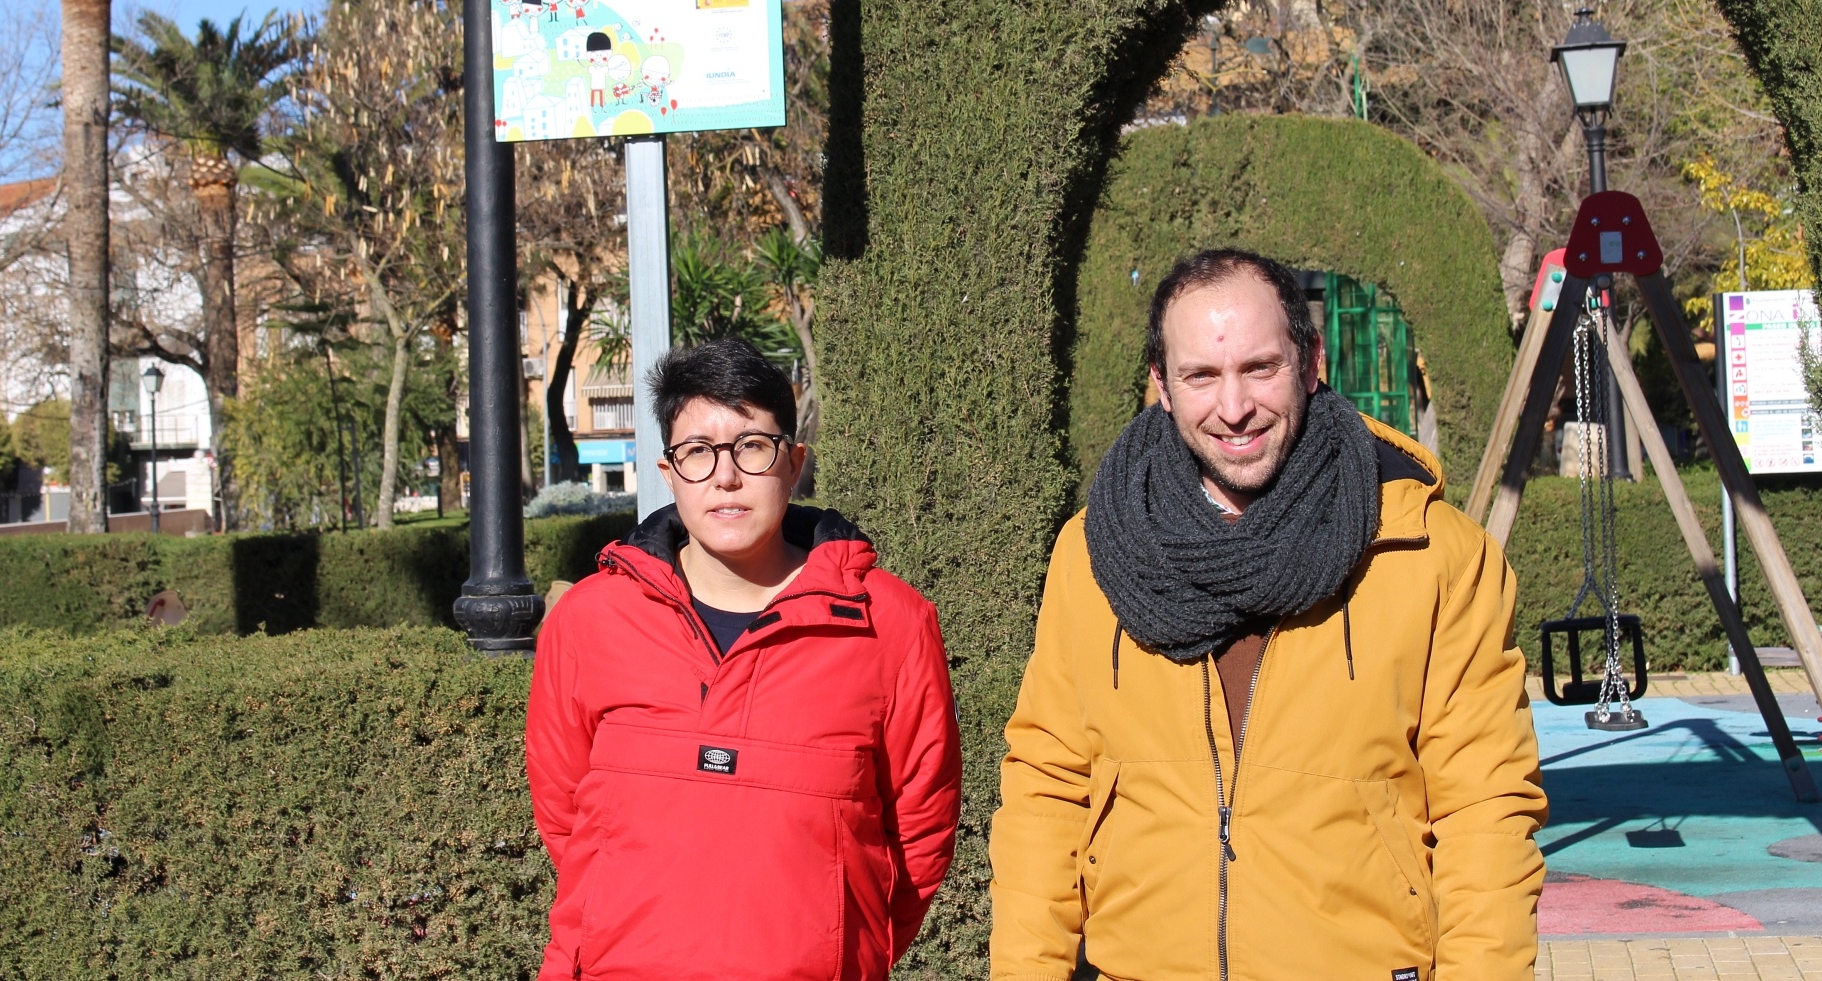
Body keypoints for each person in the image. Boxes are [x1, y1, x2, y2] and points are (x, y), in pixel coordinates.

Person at [990, 250, 1545, 981]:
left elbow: (1485, 809)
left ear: (1310, 361)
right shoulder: (1091, 554)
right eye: (1201, 376)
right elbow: (1047, 788)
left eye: (1260, 367)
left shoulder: (1431, 554)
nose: (1234, 407)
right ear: (1160, 384)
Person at [527, 337, 962, 981]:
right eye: (697, 452)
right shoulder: (590, 621)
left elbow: (920, 830)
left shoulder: (890, 624)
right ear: (668, 471)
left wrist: (840, 946)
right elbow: (566, 815)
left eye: (752, 447)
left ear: (794, 463)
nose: (725, 477)